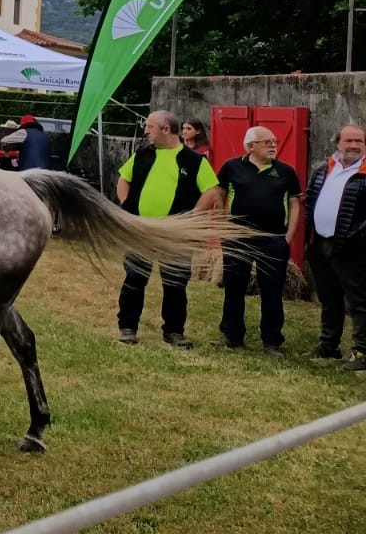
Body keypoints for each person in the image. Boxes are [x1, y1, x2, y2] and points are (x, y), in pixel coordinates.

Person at [115, 110, 219, 348]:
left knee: (175, 284)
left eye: (150, 127)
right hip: (141, 230)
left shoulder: (193, 161)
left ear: (166, 129)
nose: (146, 131)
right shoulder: (143, 154)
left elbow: (211, 192)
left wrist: (191, 217)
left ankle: (173, 332)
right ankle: (127, 328)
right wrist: (126, 205)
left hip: (175, 233)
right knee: (134, 279)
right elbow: (124, 179)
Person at [214, 125, 301, 354]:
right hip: (238, 238)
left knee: (272, 291)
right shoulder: (231, 167)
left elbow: (294, 203)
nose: (273, 145)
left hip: (273, 239)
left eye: (275, 141)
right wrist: (223, 228)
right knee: (234, 287)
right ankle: (232, 335)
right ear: (250, 146)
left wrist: (288, 237)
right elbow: (219, 196)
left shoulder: (286, 171)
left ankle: (272, 341)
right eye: (267, 142)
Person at [305, 124, 366, 369]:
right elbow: (310, 199)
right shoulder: (324, 169)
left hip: (353, 248)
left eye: (359, 141)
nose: (353, 145)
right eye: (349, 140)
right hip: (320, 243)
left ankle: (361, 353)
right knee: (329, 297)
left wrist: (357, 237)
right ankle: (328, 345)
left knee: (359, 300)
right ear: (337, 143)